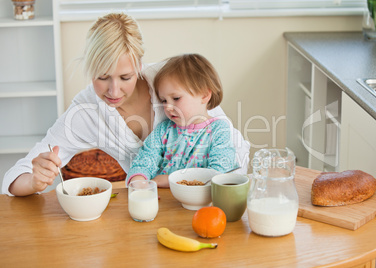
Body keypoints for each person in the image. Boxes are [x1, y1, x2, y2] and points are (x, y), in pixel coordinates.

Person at [2, 13, 250, 197]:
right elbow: (13, 178)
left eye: (125, 77)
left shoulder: (174, 82)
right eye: (102, 77)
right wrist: (34, 180)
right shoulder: (85, 111)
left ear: (140, 65)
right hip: (145, 206)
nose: (113, 91)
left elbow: (234, 151)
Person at [126, 54, 239, 187]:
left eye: (176, 98)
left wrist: (170, 179)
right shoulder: (164, 130)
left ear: (204, 95)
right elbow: (146, 158)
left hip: (202, 199)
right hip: (165, 199)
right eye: (163, 100)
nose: (167, 107)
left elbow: (219, 173)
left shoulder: (219, 129)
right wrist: (139, 181)